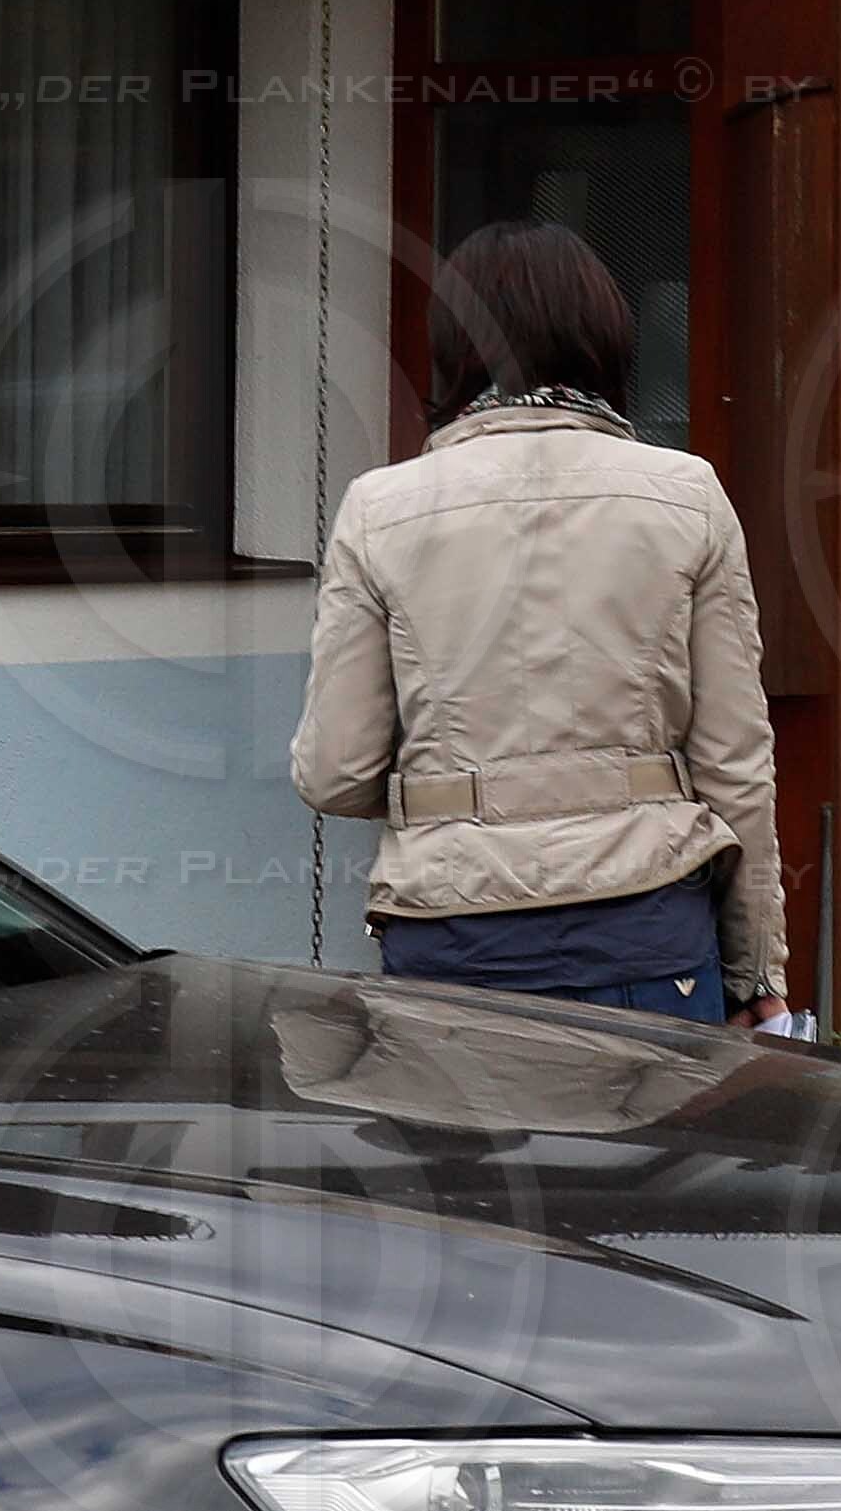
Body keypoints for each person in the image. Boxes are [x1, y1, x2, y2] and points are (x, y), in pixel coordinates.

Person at [295, 222, 786, 1028]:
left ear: (455, 347)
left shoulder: (378, 510)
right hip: (648, 936)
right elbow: (736, 763)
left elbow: (334, 771)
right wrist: (755, 967)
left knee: (464, 1160)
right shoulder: (687, 493)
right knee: (656, 1159)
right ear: (603, 340)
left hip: (452, 934)